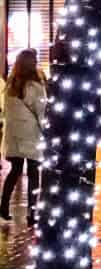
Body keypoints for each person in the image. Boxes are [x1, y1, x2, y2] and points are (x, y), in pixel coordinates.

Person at [0, 49, 46, 224]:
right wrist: (45, 131)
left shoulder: (10, 86)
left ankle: (4, 207)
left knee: (15, 170)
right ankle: (32, 214)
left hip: (14, 136)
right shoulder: (34, 87)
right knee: (34, 173)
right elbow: (41, 112)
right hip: (30, 134)